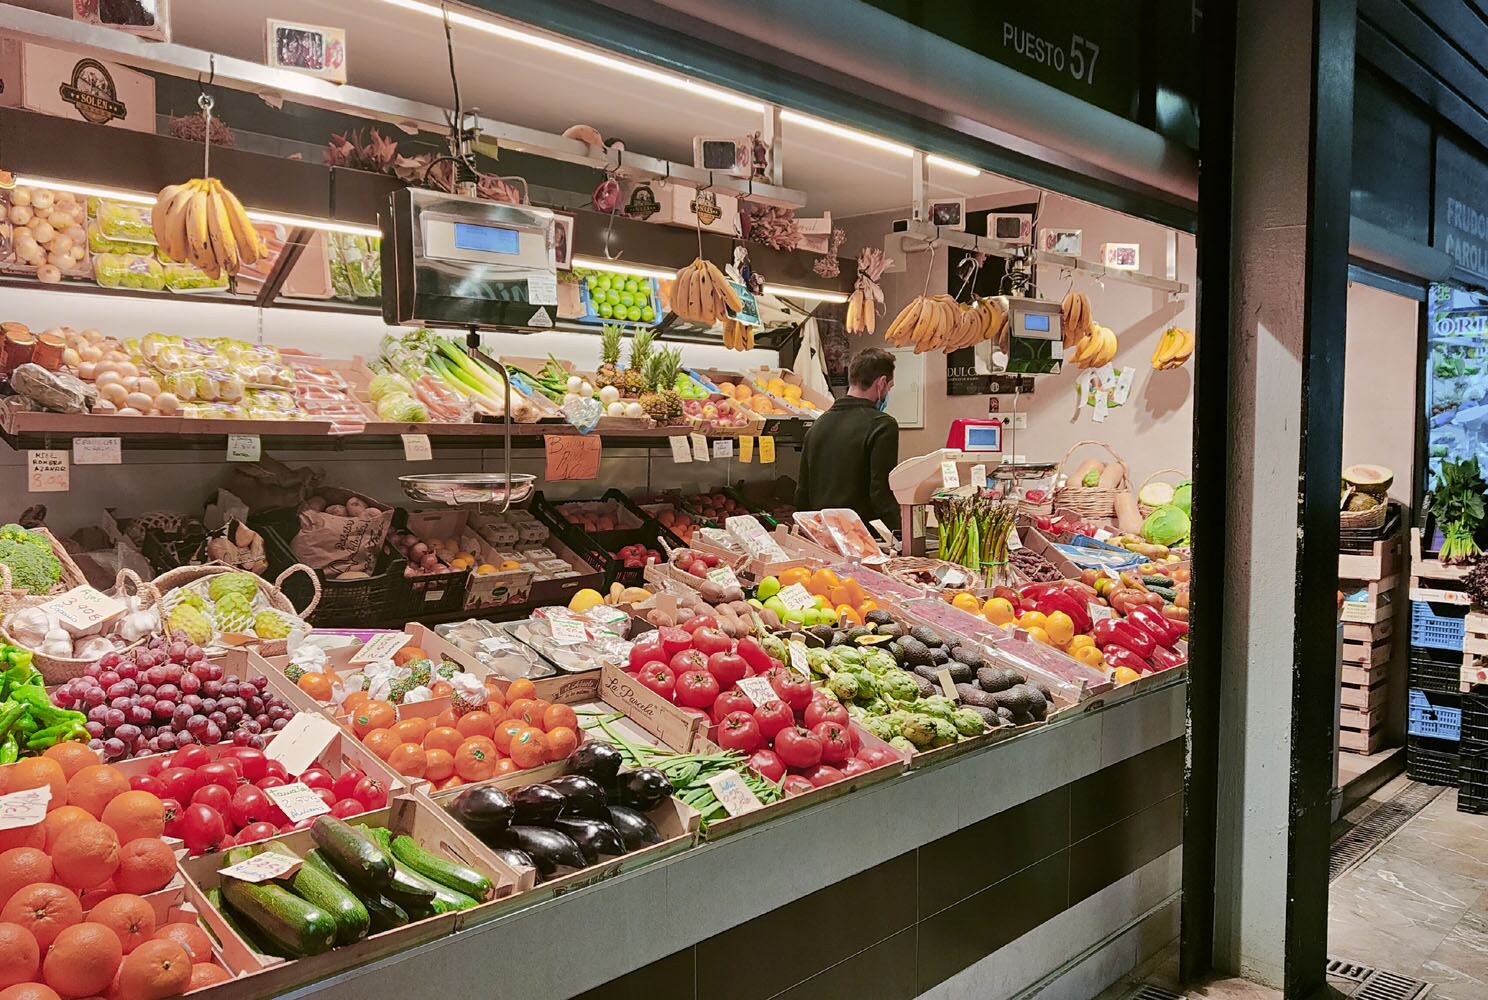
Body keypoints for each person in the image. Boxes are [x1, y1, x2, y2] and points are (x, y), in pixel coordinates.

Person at [794, 347, 899, 527]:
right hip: (862, 538)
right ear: (881, 383)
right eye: (889, 387)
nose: (888, 393)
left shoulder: (818, 425)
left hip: (823, 535)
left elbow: (802, 493)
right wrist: (901, 533)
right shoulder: (882, 425)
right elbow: (880, 492)